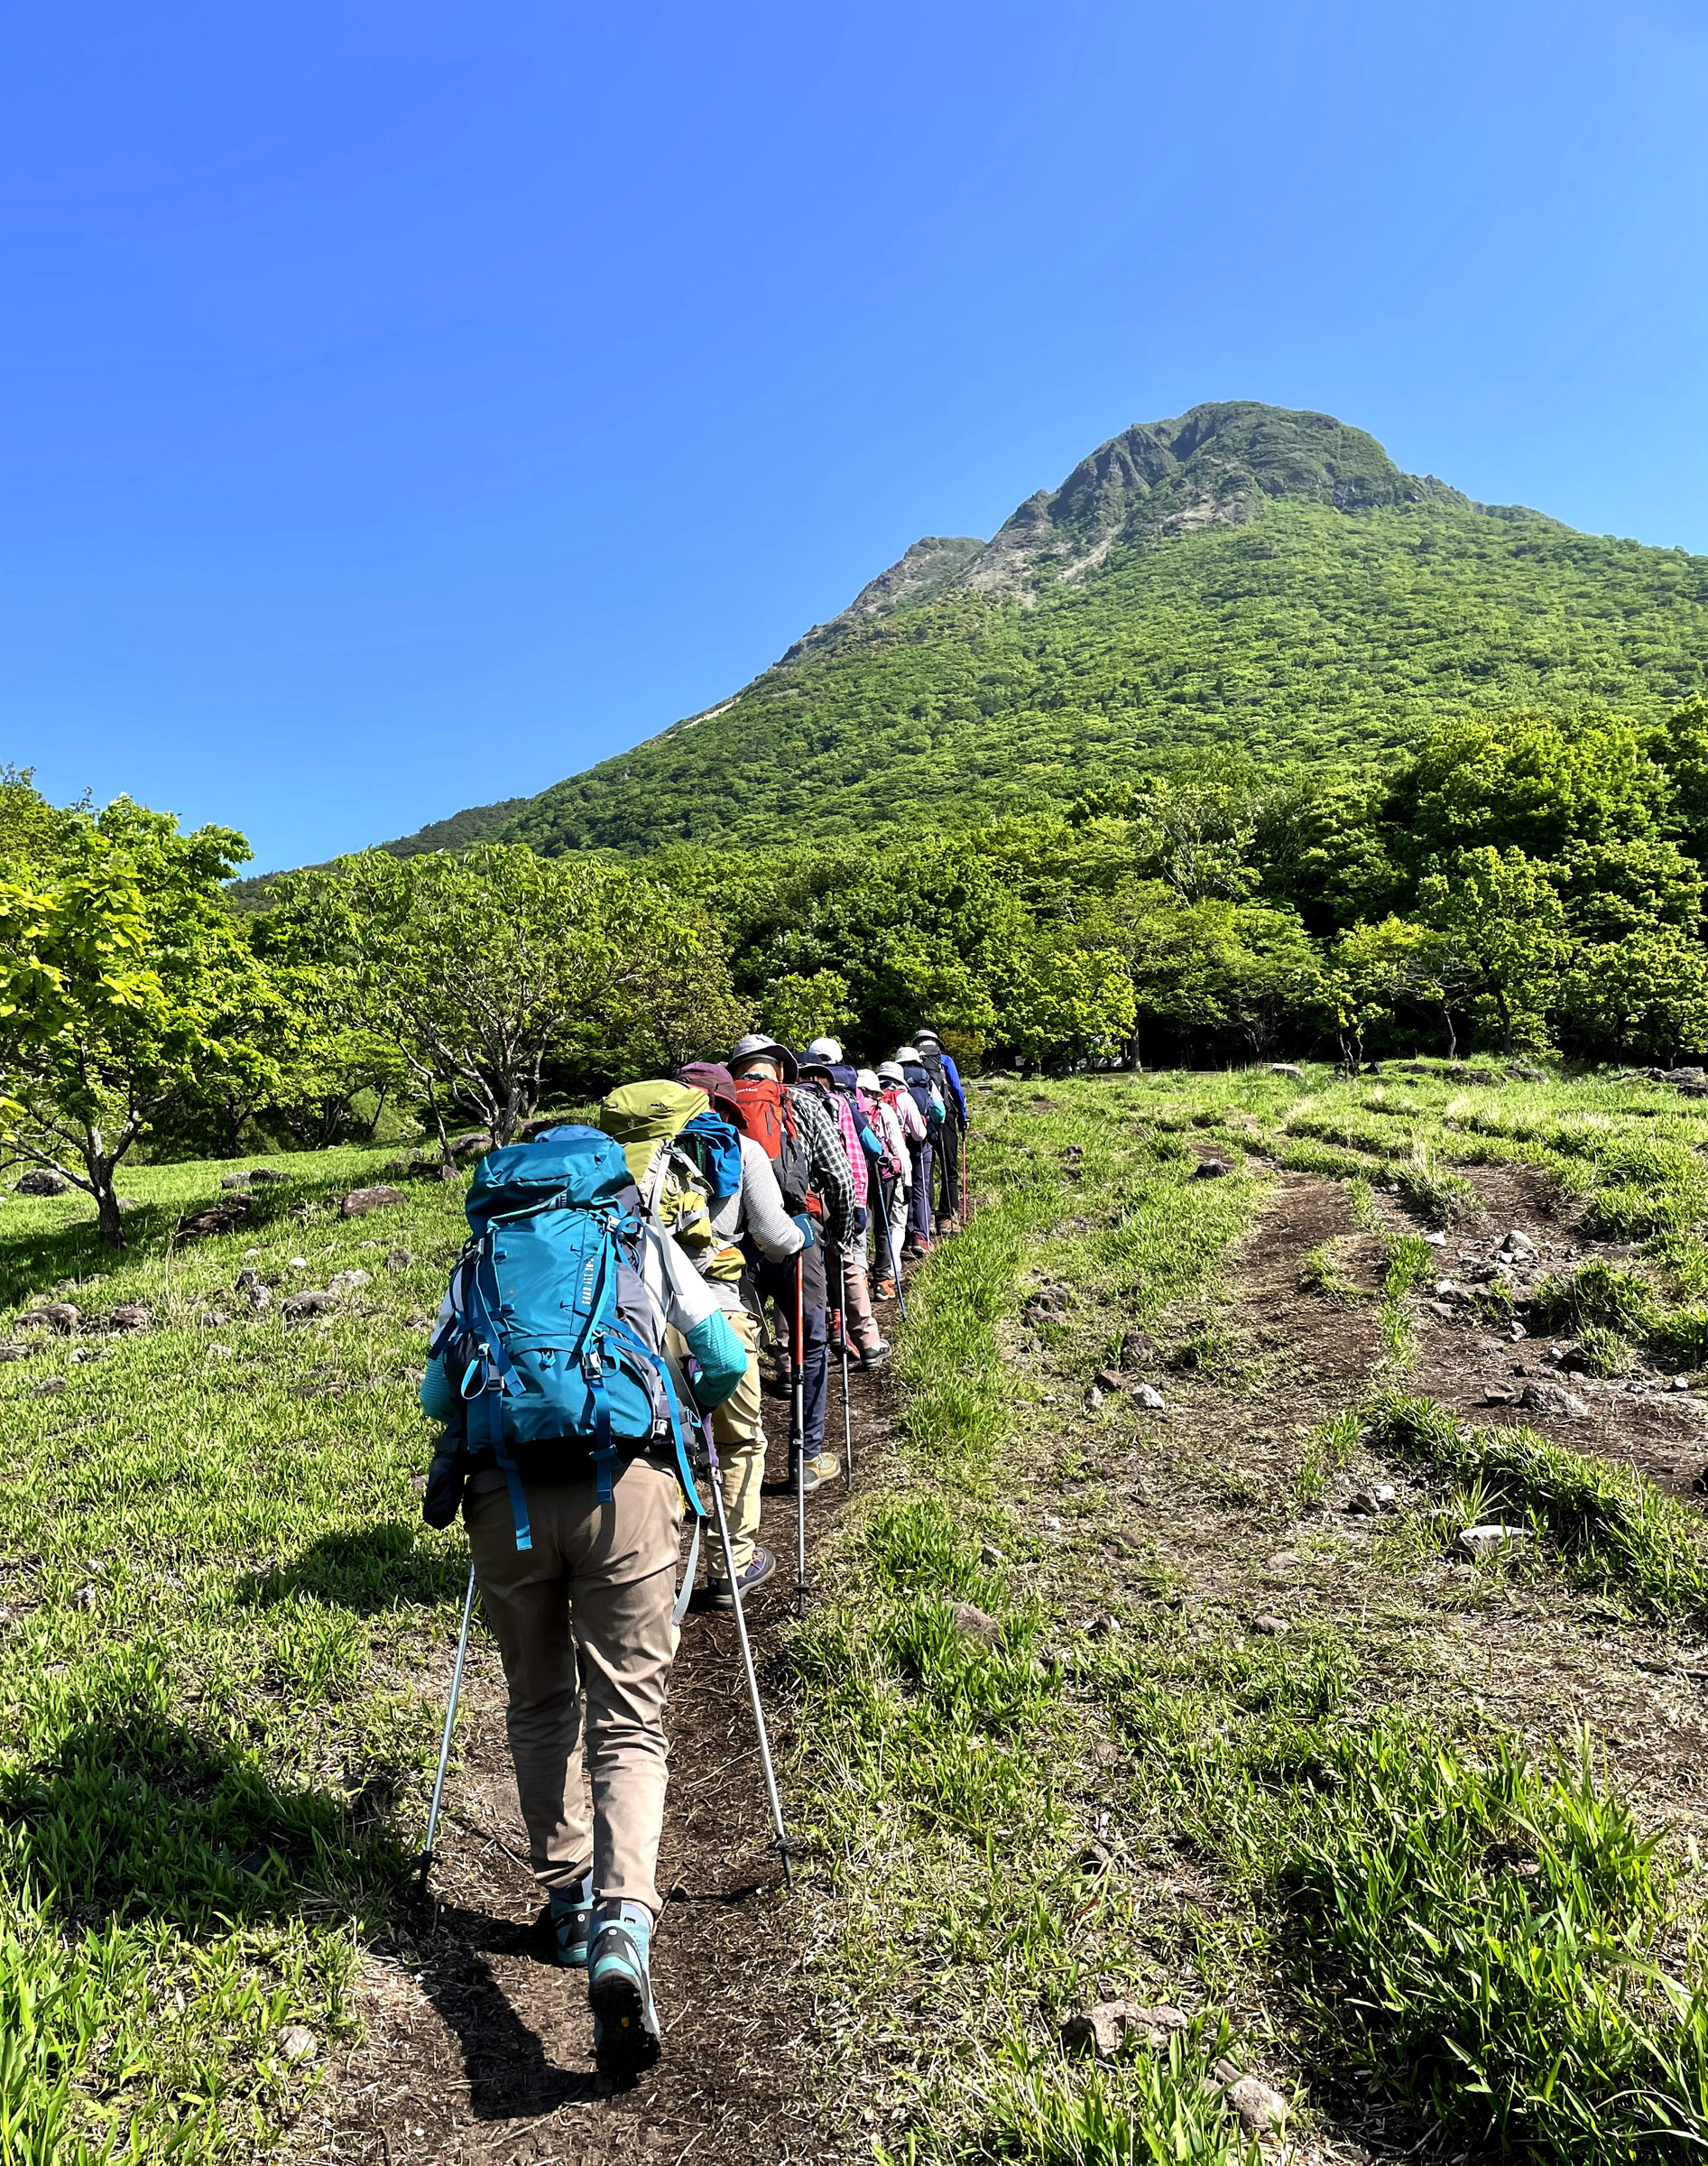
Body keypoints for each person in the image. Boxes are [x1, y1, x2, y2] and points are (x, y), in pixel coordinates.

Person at [419, 1115, 747, 2078]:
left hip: (505, 1502)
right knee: (629, 1715)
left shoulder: (481, 1260)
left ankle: (565, 1901)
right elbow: (725, 1362)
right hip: (627, 1490)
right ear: (604, 1174)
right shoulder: (636, 1237)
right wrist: (676, 1402)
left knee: (537, 1702)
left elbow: (439, 1400)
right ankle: (621, 1925)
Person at [676, 1059, 807, 1605]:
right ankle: (731, 1563)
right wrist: (800, 1235)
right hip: (718, 1313)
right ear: (727, 1106)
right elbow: (775, 1236)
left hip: (641, 1321)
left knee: (658, 1443)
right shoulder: (743, 1149)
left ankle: (651, 1572)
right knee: (739, 1440)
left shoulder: (634, 1156)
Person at [725, 1033, 855, 1492]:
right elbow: (839, 1178)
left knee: (733, 1344)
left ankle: (729, 1458)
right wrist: (839, 1235)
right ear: (781, 1070)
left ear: (735, 1070)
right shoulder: (802, 1104)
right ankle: (806, 1457)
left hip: (732, 1243)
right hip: (797, 1236)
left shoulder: (714, 1108)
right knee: (810, 1342)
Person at [799, 1038, 890, 1368]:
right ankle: (867, 1341)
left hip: (795, 1203)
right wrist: (856, 1207)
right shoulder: (839, 1103)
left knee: (799, 1274)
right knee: (847, 1265)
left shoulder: (783, 1101)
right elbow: (854, 1159)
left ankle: (793, 1357)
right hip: (834, 1198)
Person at [913, 1027, 970, 1234]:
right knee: (949, 1167)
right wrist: (963, 1115)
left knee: (924, 1168)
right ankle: (946, 1217)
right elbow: (956, 1088)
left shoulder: (910, 1062)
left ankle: (926, 1216)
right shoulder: (945, 1060)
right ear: (937, 1044)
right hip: (945, 1116)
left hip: (919, 1118)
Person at [859, 1065, 909, 1299]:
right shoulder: (885, 1110)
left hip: (859, 1174)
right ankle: (882, 1279)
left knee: (863, 1227)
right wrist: (906, 1177)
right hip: (885, 1173)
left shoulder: (849, 1108)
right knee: (883, 1226)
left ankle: (861, 1278)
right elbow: (897, 1144)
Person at [892, 1044, 940, 1257]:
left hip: (895, 1144)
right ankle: (920, 1237)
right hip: (920, 1143)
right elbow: (939, 1110)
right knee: (921, 1188)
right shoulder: (925, 1079)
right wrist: (931, 1127)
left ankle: (903, 1237)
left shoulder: (890, 1081)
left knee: (903, 1187)